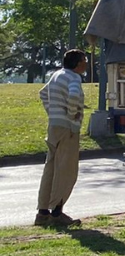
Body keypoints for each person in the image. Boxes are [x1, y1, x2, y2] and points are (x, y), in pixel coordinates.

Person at [36, 49, 88, 228]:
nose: (86, 64)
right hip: (68, 128)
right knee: (66, 169)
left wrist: (53, 112)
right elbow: (74, 95)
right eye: (84, 60)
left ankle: (42, 212)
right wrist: (72, 116)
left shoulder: (56, 74)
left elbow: (42, 94)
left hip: (54, 126)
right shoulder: (74, 78)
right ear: (77, 63)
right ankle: (57, 212)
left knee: (50, 168)